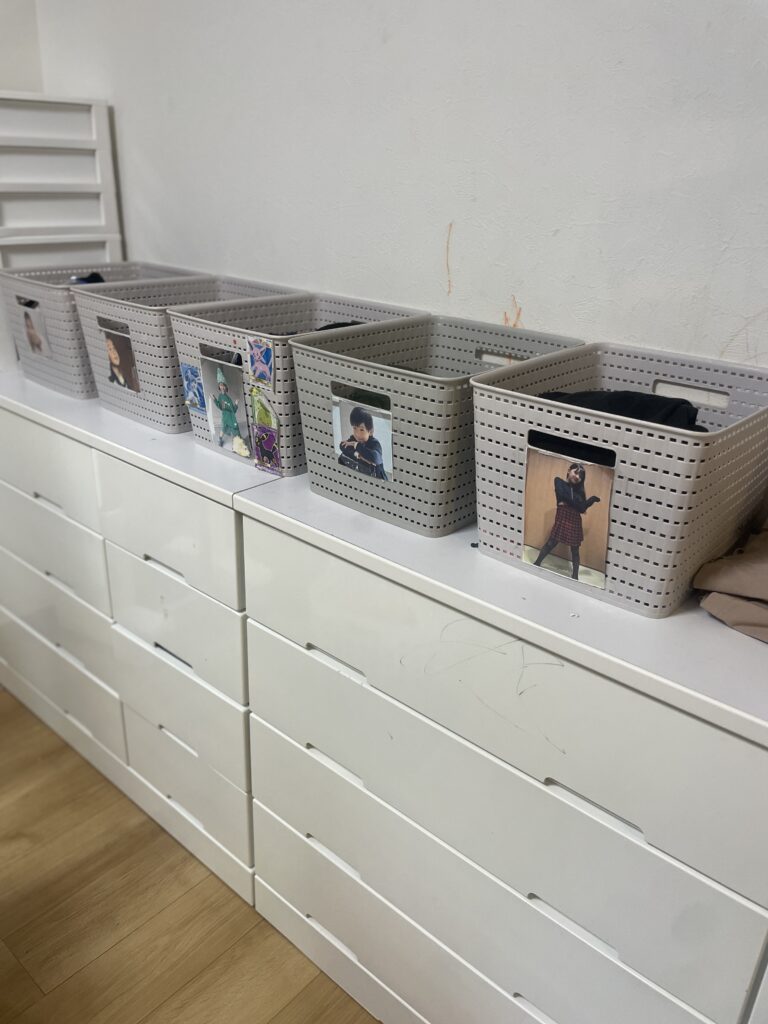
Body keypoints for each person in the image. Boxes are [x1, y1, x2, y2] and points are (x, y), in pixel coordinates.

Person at [533, 463, 600, 580]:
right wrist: (577, 504)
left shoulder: (580, 492)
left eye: (580, 476)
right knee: (551, 543)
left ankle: (575, 577)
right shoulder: (559, 481)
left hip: (575, 521)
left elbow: (581, 508)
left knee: (575, 550)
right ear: (569, 470)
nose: (577, 477)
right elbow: (564, 496)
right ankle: (536, 563)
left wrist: (591, 500)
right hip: (562, 518)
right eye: (576, 472)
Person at [338, 406, 388, 480]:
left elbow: (375, 459)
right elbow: (342, 446)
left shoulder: (375, 443)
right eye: (354, 428)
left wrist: (356, 445)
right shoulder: (353, 438)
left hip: (379, 480)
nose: (357, 433)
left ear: (370, 431)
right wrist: (359, 455)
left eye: (361, 430)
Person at [212, 366, 245, 449]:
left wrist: (236, 404)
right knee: (225, 428)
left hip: (229, 417)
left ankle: (237, 443)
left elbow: (232, 410)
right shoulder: (221, 397)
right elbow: (221, 407)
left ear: (226, 387)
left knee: (232, 429)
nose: (222, 387)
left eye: (223, 386)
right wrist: (215, 400)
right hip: (227, 417)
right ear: (219, 387)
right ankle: (221, 440)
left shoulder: (227, 398)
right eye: (221, 386)